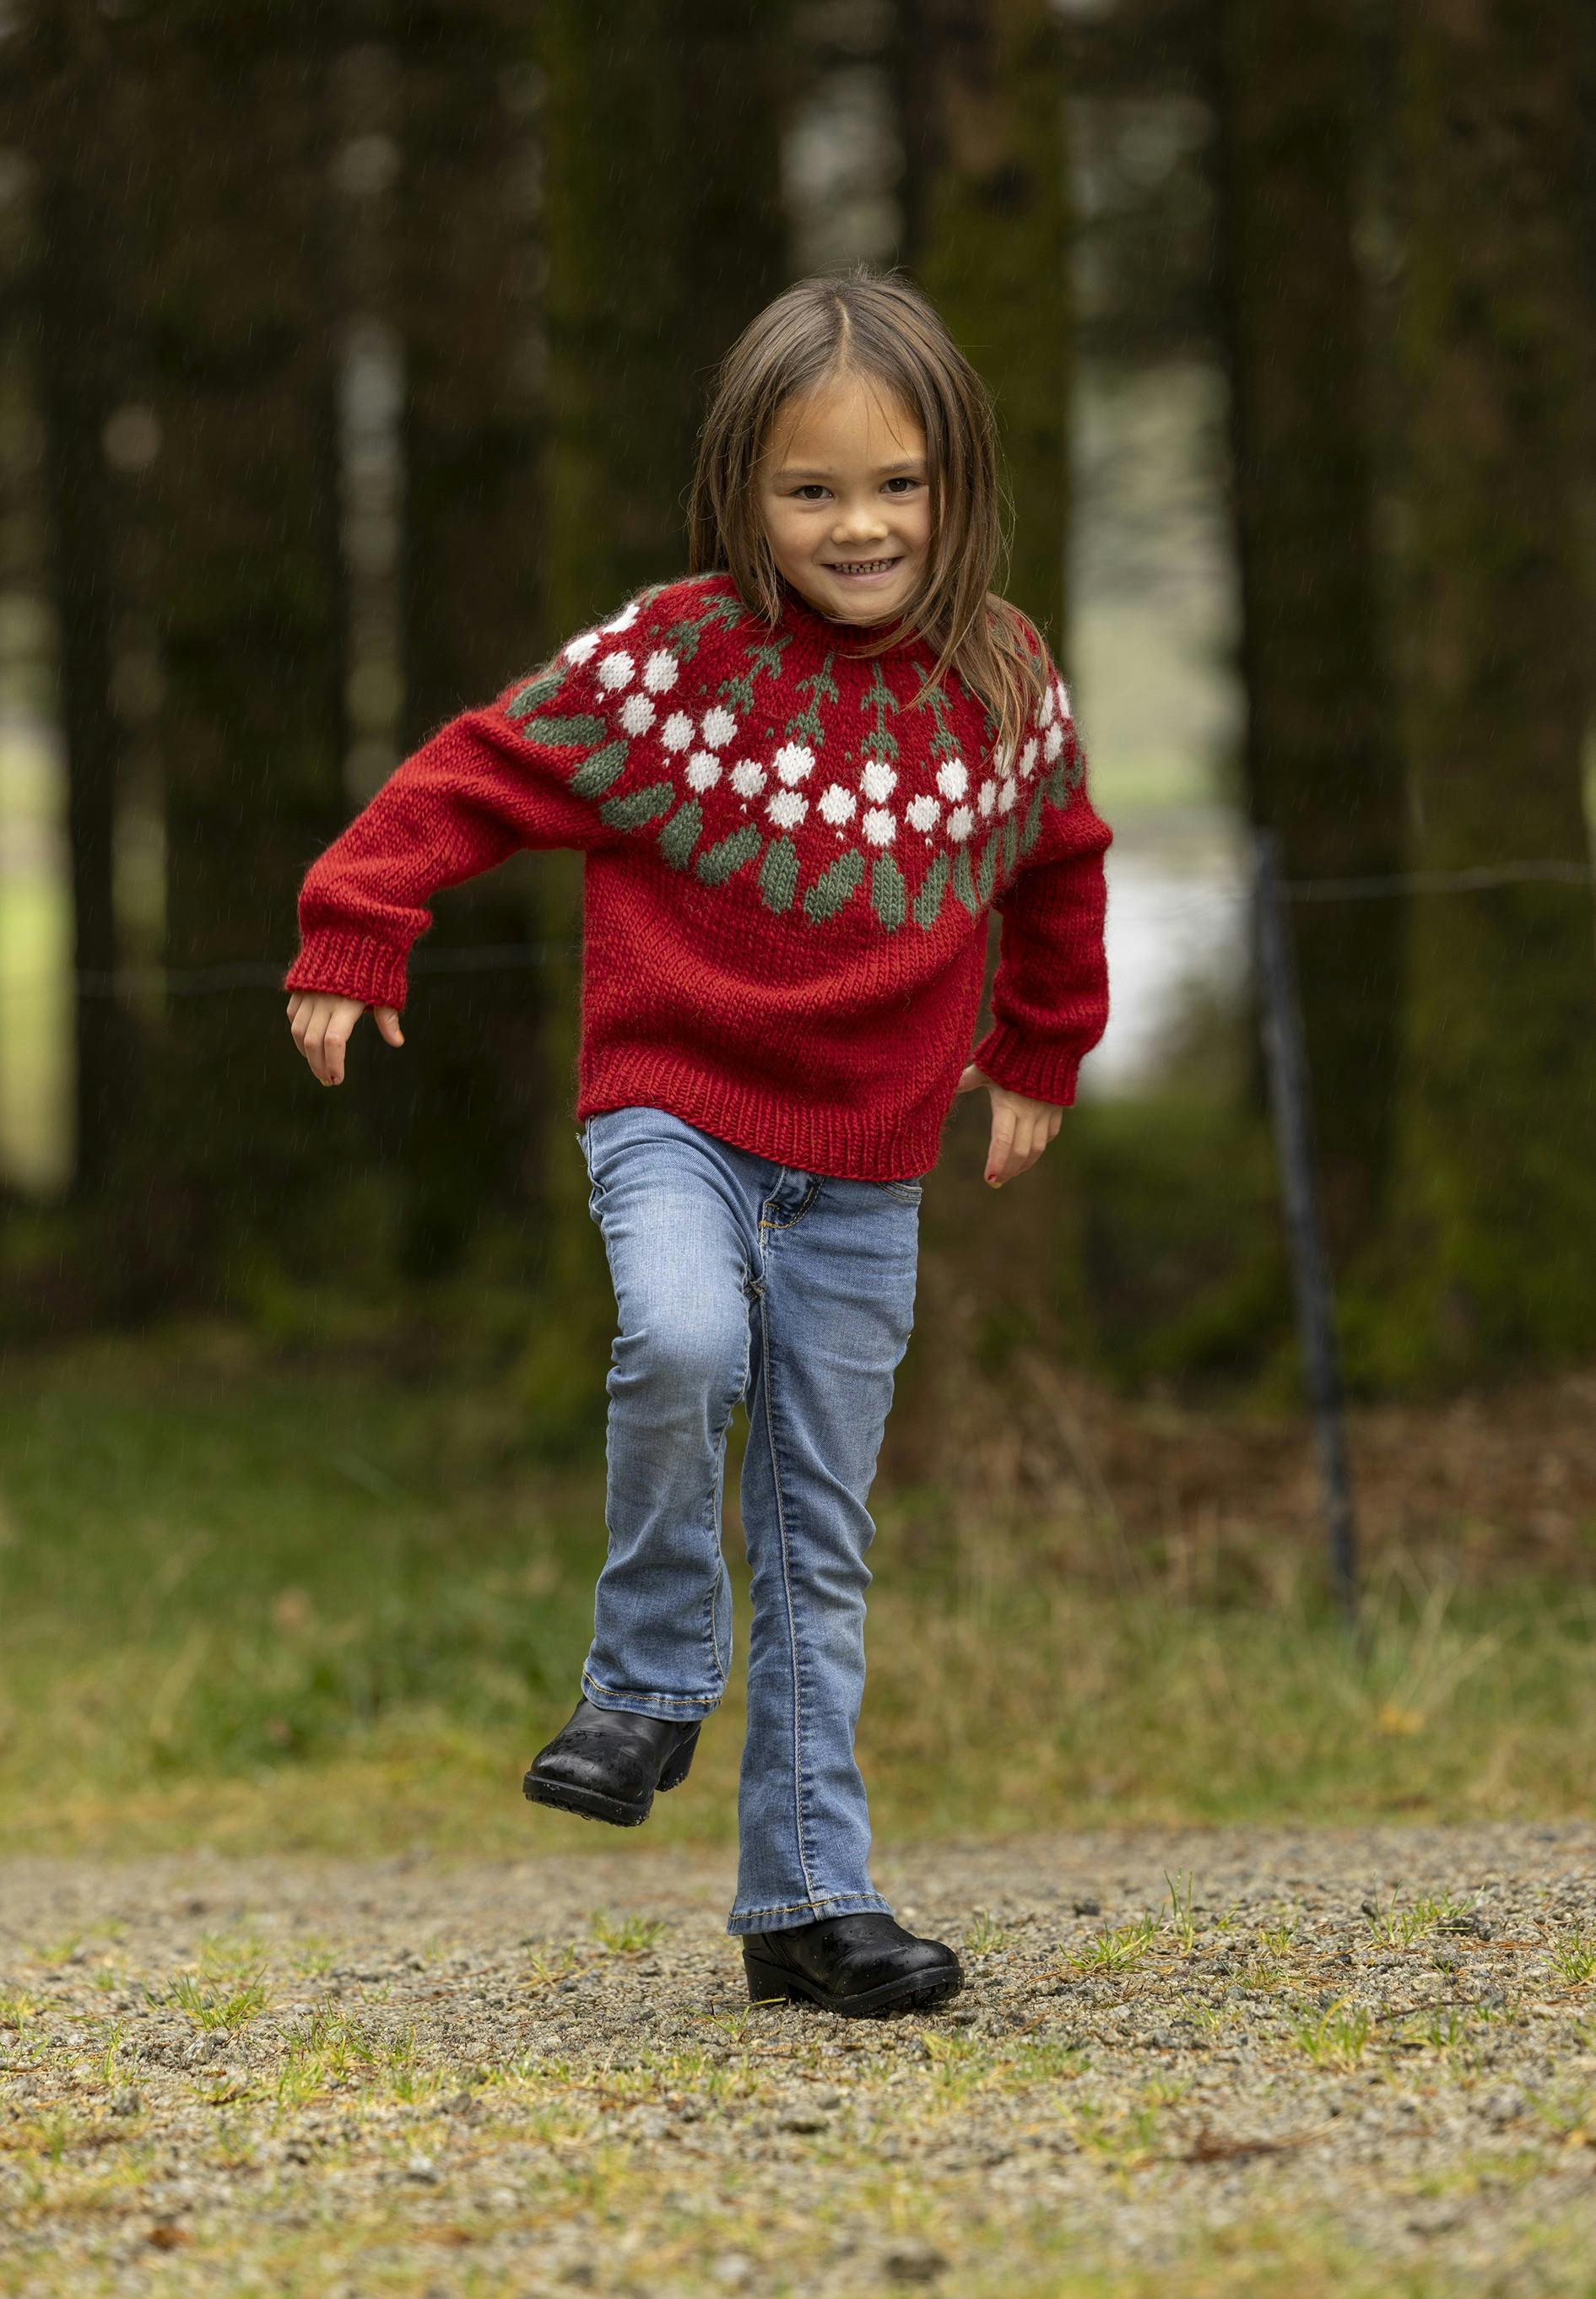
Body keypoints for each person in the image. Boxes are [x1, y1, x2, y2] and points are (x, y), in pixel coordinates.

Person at [283, 268, 1112, 2020]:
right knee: (677, 1334)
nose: (860, 523)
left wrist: (1041, 1042)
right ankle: (647, 1675)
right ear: (743, 490)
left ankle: (811, 1900)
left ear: (958, 482)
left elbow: (1058, 855)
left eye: (897, 484)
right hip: (680, 1114)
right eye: (812, 490)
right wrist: (356, 925)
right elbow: (477, 771)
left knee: (819, 1525)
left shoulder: (1000, 674)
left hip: (869, 1164)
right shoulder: (678, 664)